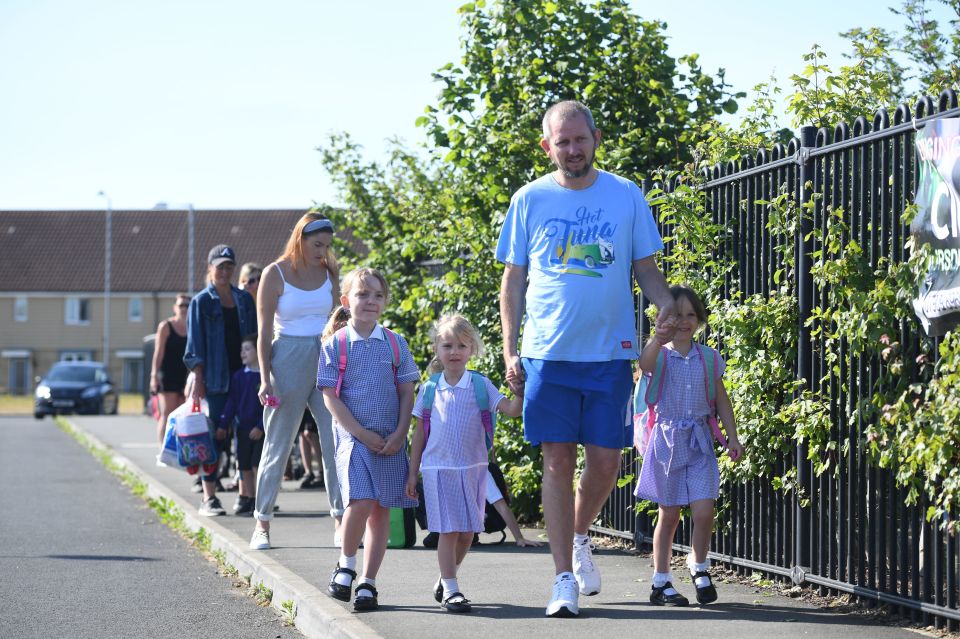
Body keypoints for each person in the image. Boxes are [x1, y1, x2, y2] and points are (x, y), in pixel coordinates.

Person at [496, 100, 675, 617]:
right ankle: (562, 580)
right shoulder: (529, 199)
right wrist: (512, 348)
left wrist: (668, 310)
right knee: (556, 461)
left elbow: (646, 270)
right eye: (562, 141)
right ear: (546, 145)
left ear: (596, 138)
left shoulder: (625, 195)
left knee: (606, 462)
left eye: (580, 139)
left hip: (611, 352)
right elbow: (513, 280)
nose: (572, 150)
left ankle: (578, 535)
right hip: (547, 353)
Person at [405, 314, 523, 613]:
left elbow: (511, 410)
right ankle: (453, 590)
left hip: (473, 470)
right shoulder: (430, 388)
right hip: (437, 469)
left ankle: (446, 579)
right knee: (447, 530)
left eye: (461, 345)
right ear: (437, 349)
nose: (454, 351)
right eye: (447, 345)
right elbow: (420, 433)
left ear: (472, 349)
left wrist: (520, 392)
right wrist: (411, 472)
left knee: (468, 533)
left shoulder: (481, 385)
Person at [635, 286, 743, 606]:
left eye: (690, 315)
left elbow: (721, 399)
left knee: (704, 509)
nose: (684, 321)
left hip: (699, 442)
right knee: (668, 515)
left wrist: (732, 436)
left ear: (700, 320)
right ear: (665, 319)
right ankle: (661, 582)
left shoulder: (709, 358)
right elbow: (644, 362)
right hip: (666, 441)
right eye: (677, 314)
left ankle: (699, 567)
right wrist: (657, 337)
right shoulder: (661, 354)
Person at [318, 268, 419, 612]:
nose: (370, 301)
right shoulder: (336, 344)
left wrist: (400, 432)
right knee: (359, 502)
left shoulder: (395, 342)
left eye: (377, 295)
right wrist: (359, 432)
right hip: (354, 440)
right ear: (346, 302)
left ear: (385, 301)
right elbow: (329, 396)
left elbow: (407, 392)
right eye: (362, 295)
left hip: (390, 441)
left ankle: (368, 582)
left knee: (380, 513)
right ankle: (346, 565)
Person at [250, 213, 343, 550]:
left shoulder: (330, 273)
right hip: (286, 357)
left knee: (334, 439)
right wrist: (264, 379)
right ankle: (262, 523)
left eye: (327, 245)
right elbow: (262, 332)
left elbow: (337, 321)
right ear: (300, 239)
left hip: (326, 354)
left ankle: (340, 520)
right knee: (278, 443)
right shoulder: (275, 274)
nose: (323, 251)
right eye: (317, 244)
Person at [183, 244, 257, 517]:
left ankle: (245, 495)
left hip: (245, 378)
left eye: (229, 266)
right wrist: (198, 379)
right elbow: (194, 347)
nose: (225, 271)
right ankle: (209, 498)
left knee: (245, 436)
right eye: (220, 266)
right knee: (214, 437)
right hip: (215, 380)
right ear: (210, 268)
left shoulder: (244, 300)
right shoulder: (201, 301)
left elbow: (254, 337)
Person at [300, 306, 352, 490]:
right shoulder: (327, 349)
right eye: (340, 323)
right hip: (330, 406)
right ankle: (317, 474)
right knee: (322, 442)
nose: (344, 326)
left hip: (352, 410)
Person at [220, 334, 265, 516]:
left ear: (258, 350)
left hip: (260, 430)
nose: (243, 353)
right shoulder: (238, 377)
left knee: (257, 465)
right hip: (242, 429)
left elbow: (271, 405)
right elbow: (232, 402)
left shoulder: (265, 377)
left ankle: (260, 501)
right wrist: (223, 424)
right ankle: (249, 498)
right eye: (242, 349)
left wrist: (261, 427)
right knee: (244, 466)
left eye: (248, 349)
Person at [149, 294, 190, 444]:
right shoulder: (166, 326)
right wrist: (154, 376)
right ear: (175, 308)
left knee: (184, 415)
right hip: (168, 376)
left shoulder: (193, 326)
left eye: (187, 305)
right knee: (168, 414)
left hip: (187, 376)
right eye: (181, 305)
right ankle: (164, 450)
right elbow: (158, 353)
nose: (184, 308)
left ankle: (180, 449)